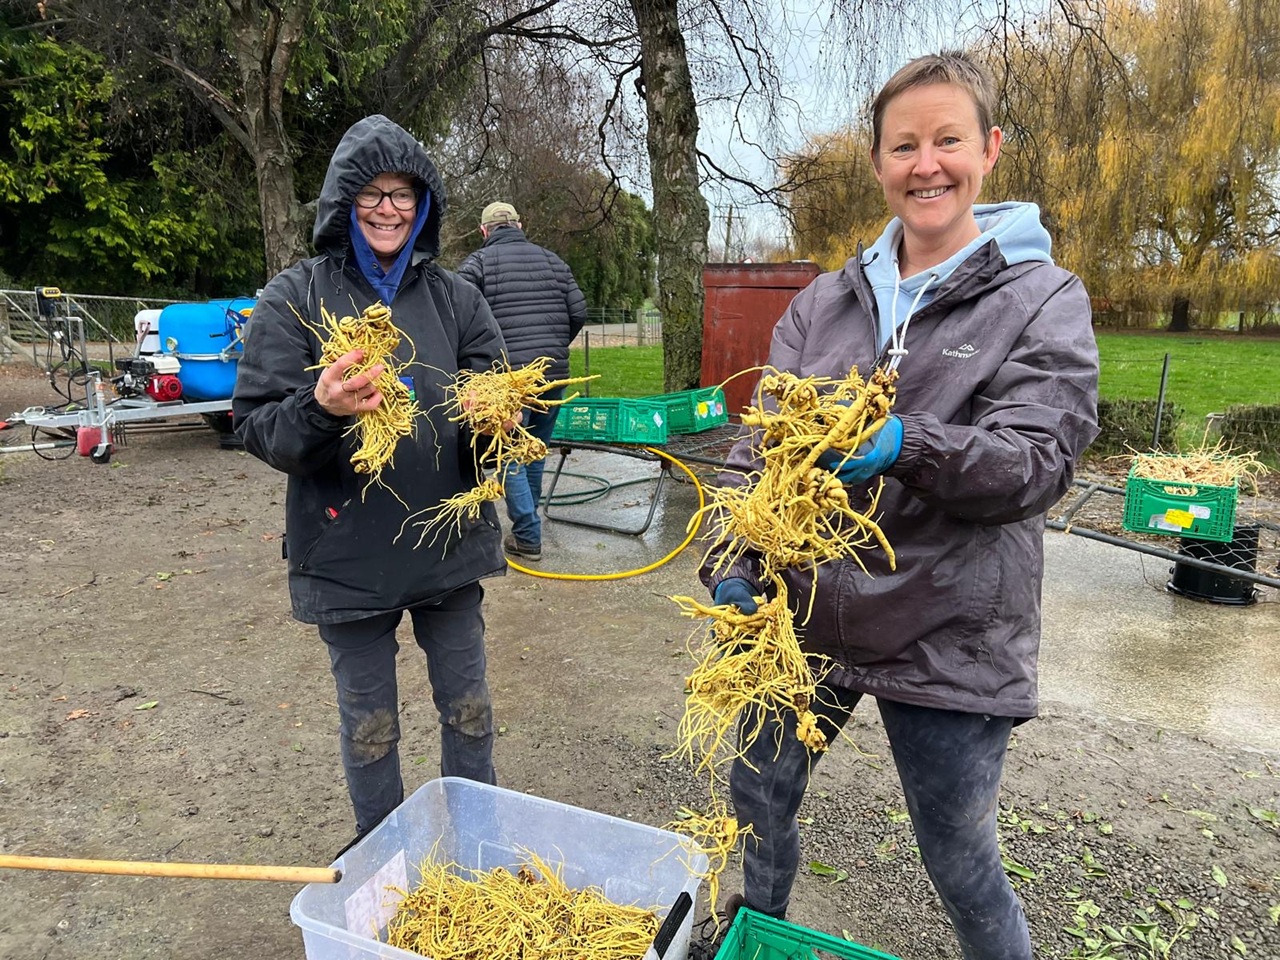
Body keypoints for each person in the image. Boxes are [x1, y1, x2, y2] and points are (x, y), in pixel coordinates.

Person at [700, 52, 1099, 960]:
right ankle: (756, 935)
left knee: (958, 855)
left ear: (989, 150)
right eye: (904, 146)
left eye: (948, 140)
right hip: (802, 616)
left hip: (949, 622)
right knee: (757, 802)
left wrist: (907, 444)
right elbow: (756, 450)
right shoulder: (825, 302)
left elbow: (1036, 462)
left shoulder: (1040, 298)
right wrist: (732, 562)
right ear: (879, 162)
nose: (927, 165)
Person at [232, 115, 510, 851]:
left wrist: (495, 418)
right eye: (372, 194)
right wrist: (321, 407)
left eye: (404, 194)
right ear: (343, 200)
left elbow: (493, 404)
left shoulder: (456, 298)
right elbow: (257, 423)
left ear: (425, 204)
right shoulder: (295, 297)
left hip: (448, 547)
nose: (389, 209)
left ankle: (475, 848)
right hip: (346, 554)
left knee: (470, 711)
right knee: (370, 726)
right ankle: (381, 858)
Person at [456, 201, 587, 562]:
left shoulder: (477, 264)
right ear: (519, 224)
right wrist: (555, 346)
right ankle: (529, 525)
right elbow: (578, 311)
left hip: (507, 381)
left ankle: (528, 535)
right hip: (552, 376)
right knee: (534, 451)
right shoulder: (553, 261)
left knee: (510, 454)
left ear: (484, 231)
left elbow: (456, 313)